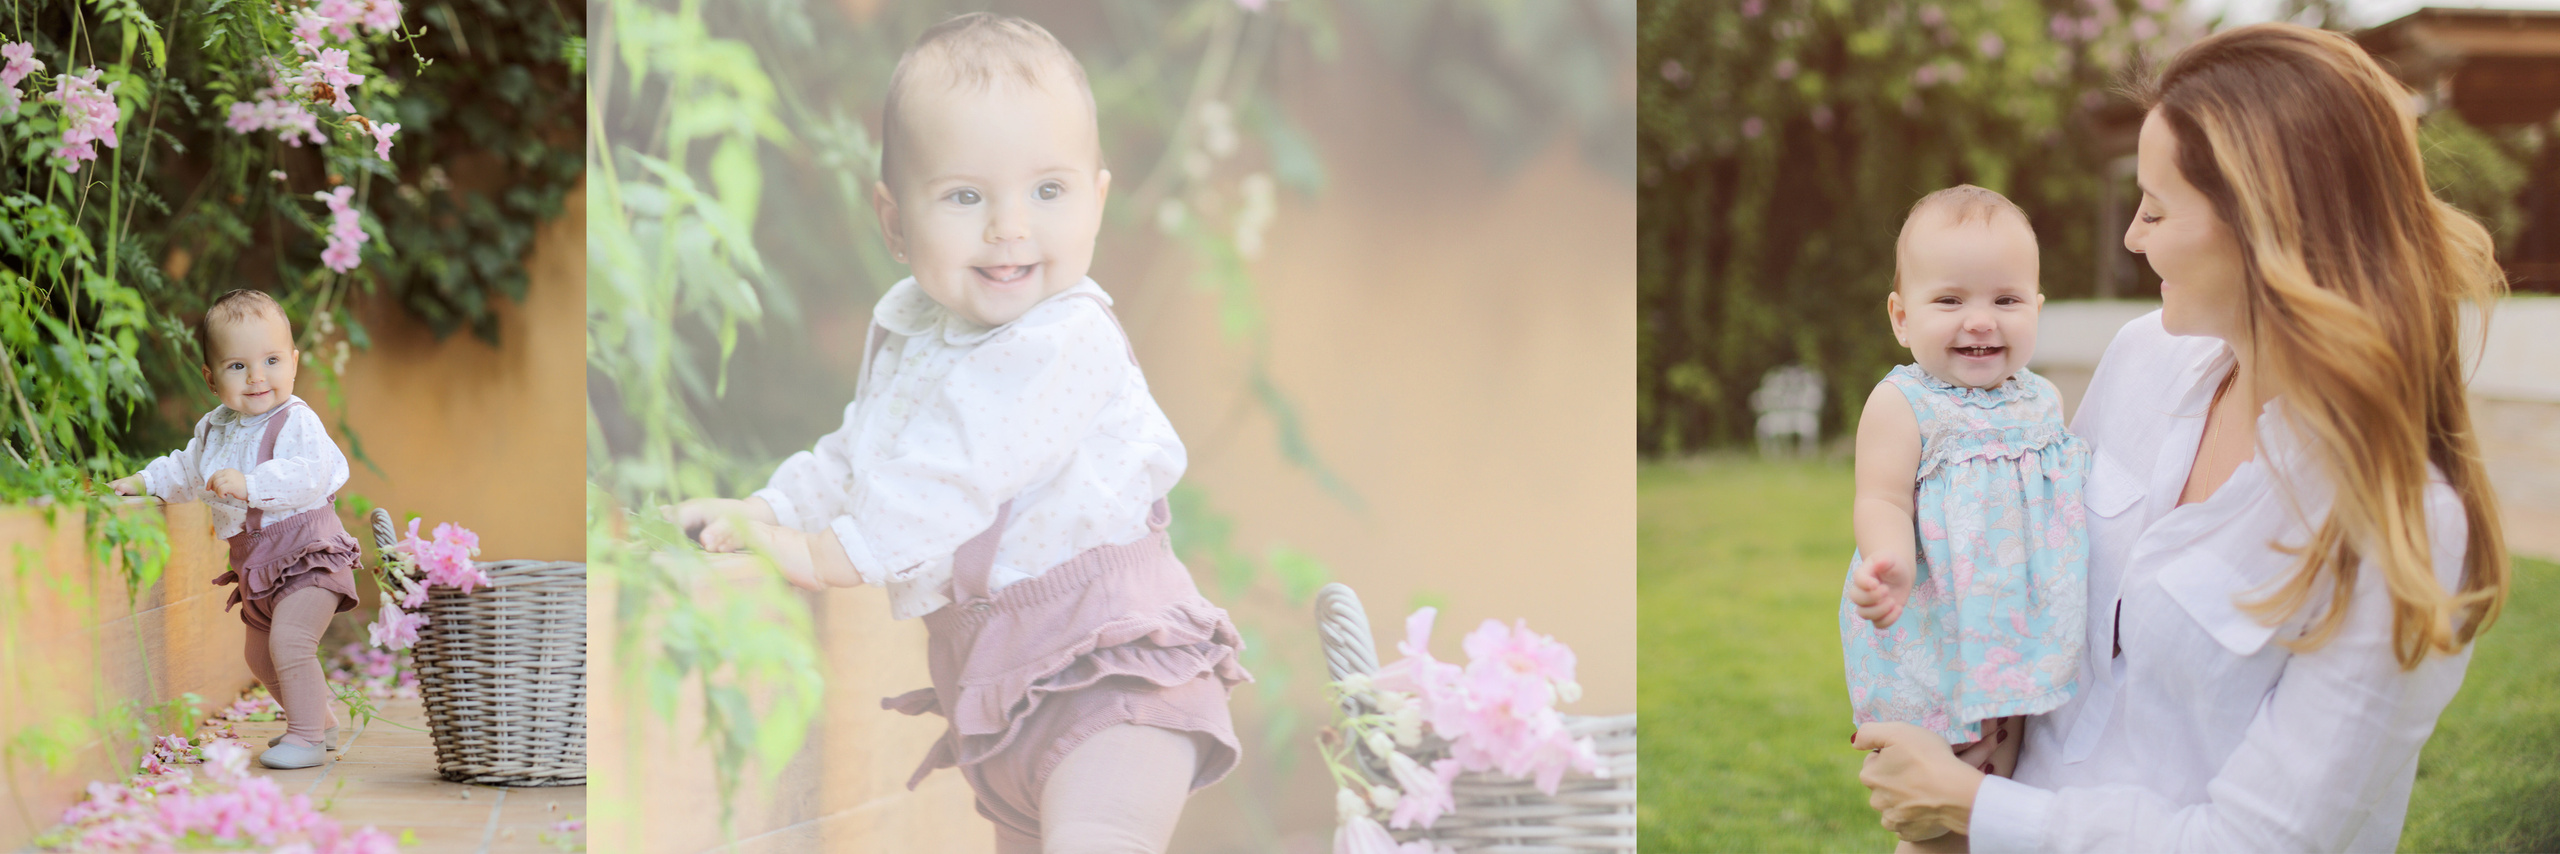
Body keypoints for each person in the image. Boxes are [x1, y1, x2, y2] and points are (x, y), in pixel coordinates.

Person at [1852, 23, 2510, 853]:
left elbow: (2261, 843)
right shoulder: (2142, 360)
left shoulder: (2402, 523)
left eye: (2157, 209)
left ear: (2264, 227)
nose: (2134, 236)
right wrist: (1955, 748)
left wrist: (1975, 807)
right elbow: (2029, 578)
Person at [661, 13, 1247, 854]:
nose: (1010, 225)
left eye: (1048, 191)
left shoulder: (1065, 339)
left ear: (1097, 201)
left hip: (1110, 680)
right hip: (1006, 693)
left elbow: (951, 476)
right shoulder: (922, 333)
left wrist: (825, 555)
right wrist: (771, 512)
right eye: (966, 196)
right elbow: (863, 455)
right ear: (896, 222)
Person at [1840, 185, 2089, 825]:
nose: (1980, 320)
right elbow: (1881, 498)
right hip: (1940, 637)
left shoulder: (2041, 399)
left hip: (2018, 632)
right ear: (1901, 317)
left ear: (2036, 309)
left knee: (2006, 789)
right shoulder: (1904, 403)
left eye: (2006, 300)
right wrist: (1890, 560)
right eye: (1950, 300)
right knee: (1940, 814)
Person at [112, 289, 362, 771]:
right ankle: (320, 721)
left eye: (271, 360)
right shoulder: (214, 429)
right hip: (256, 563)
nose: (257, 377)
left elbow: (310, 474)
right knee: (260, 657)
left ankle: (307, 738)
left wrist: (251, 485)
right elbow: (186, 470)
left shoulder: (297, 420)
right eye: (237, 366)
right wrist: (144, 482)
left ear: (294, 362)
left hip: (308, 553)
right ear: (211, 378)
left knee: (291, 642)